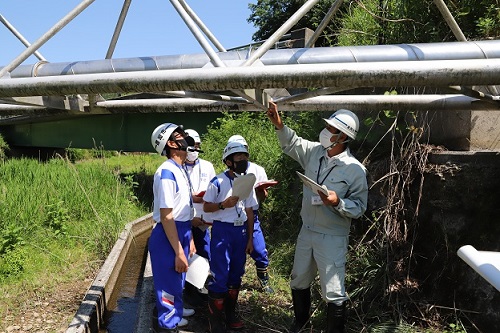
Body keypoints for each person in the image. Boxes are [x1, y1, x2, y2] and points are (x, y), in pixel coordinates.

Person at [266, 102, 368, 333]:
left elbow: (360, 207)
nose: (325, 131)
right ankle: (301, 325)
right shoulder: (314, 153)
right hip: (307, 230)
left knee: (333, 291)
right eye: (327, 126)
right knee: (298, 279)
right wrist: (279, 124)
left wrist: (338, 202)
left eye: (331, 129)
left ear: (343, 136)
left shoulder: (355, 170)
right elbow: (292, 143)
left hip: (332, 236)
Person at [203, 141, 257, 333]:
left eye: (245, 157)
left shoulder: (247, 181)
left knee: (236, 273)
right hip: (222, 231)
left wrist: (250, 238)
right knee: (221, 274)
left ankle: (230, 314)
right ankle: (215, 321)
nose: (242, 160)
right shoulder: (217, 182)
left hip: (240, 231)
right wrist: (222, 205)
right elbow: (206, 206)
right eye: (238, 157)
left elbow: (250, 211)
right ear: (228, 161)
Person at [149, 123, 197, 332]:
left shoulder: (180, 169)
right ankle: (167, 324)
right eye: (180, 136)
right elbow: (167, 215)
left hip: (182, 230)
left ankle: (175, 311)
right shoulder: (167, 172)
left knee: (179, 277)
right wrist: (179, 251)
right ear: (170, 143)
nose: (185, 138)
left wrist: (190, 239)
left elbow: (183, 209)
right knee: (168, 282)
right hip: (169, 233)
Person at [227, 134, 274, 293]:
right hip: (234, 218)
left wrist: (261, 191)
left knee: (260, 251)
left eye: (243, 153)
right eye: (237, 154)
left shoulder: (257, 170)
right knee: (235, 257)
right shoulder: (228, 174)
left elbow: (263, 196)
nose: (241, 157)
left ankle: (264, 282)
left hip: (252, 217)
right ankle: (232, 284)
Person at [183, 129, 216, 300]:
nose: (194, 150)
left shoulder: (208, 166)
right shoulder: (177, 167)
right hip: (184, 219)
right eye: (191, 146)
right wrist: (192, 197)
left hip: (203, 220)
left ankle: (201, 288)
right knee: (185, 254)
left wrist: (205, 198)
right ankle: (187, 291)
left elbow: (215, 190)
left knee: (204, 252)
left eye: (197, 146)